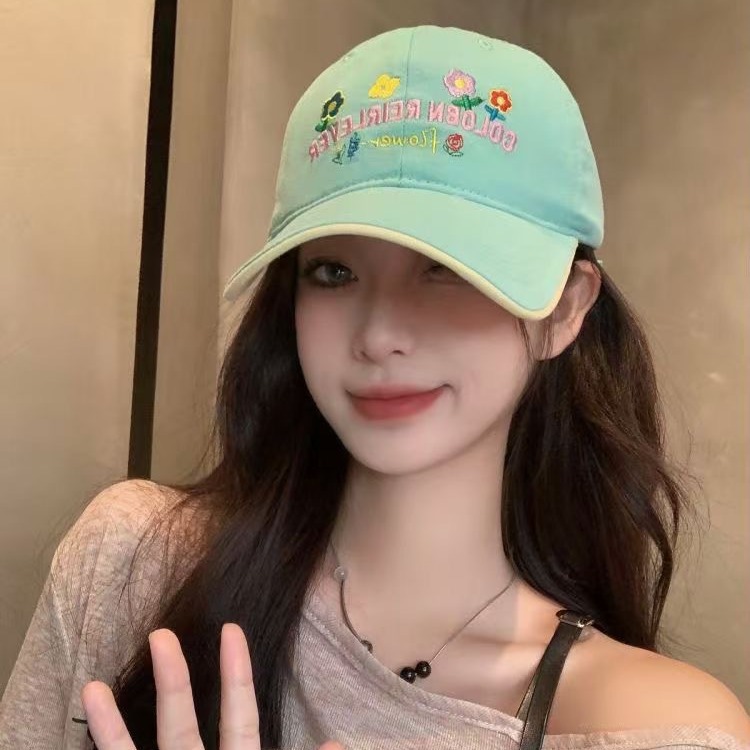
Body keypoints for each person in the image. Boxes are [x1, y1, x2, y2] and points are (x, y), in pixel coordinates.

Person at [1, 24, 749, 750]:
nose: (379, 333)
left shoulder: (661, 727)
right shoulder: (133, 564)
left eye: (445, 269)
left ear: (564, 309)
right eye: (334, 271)